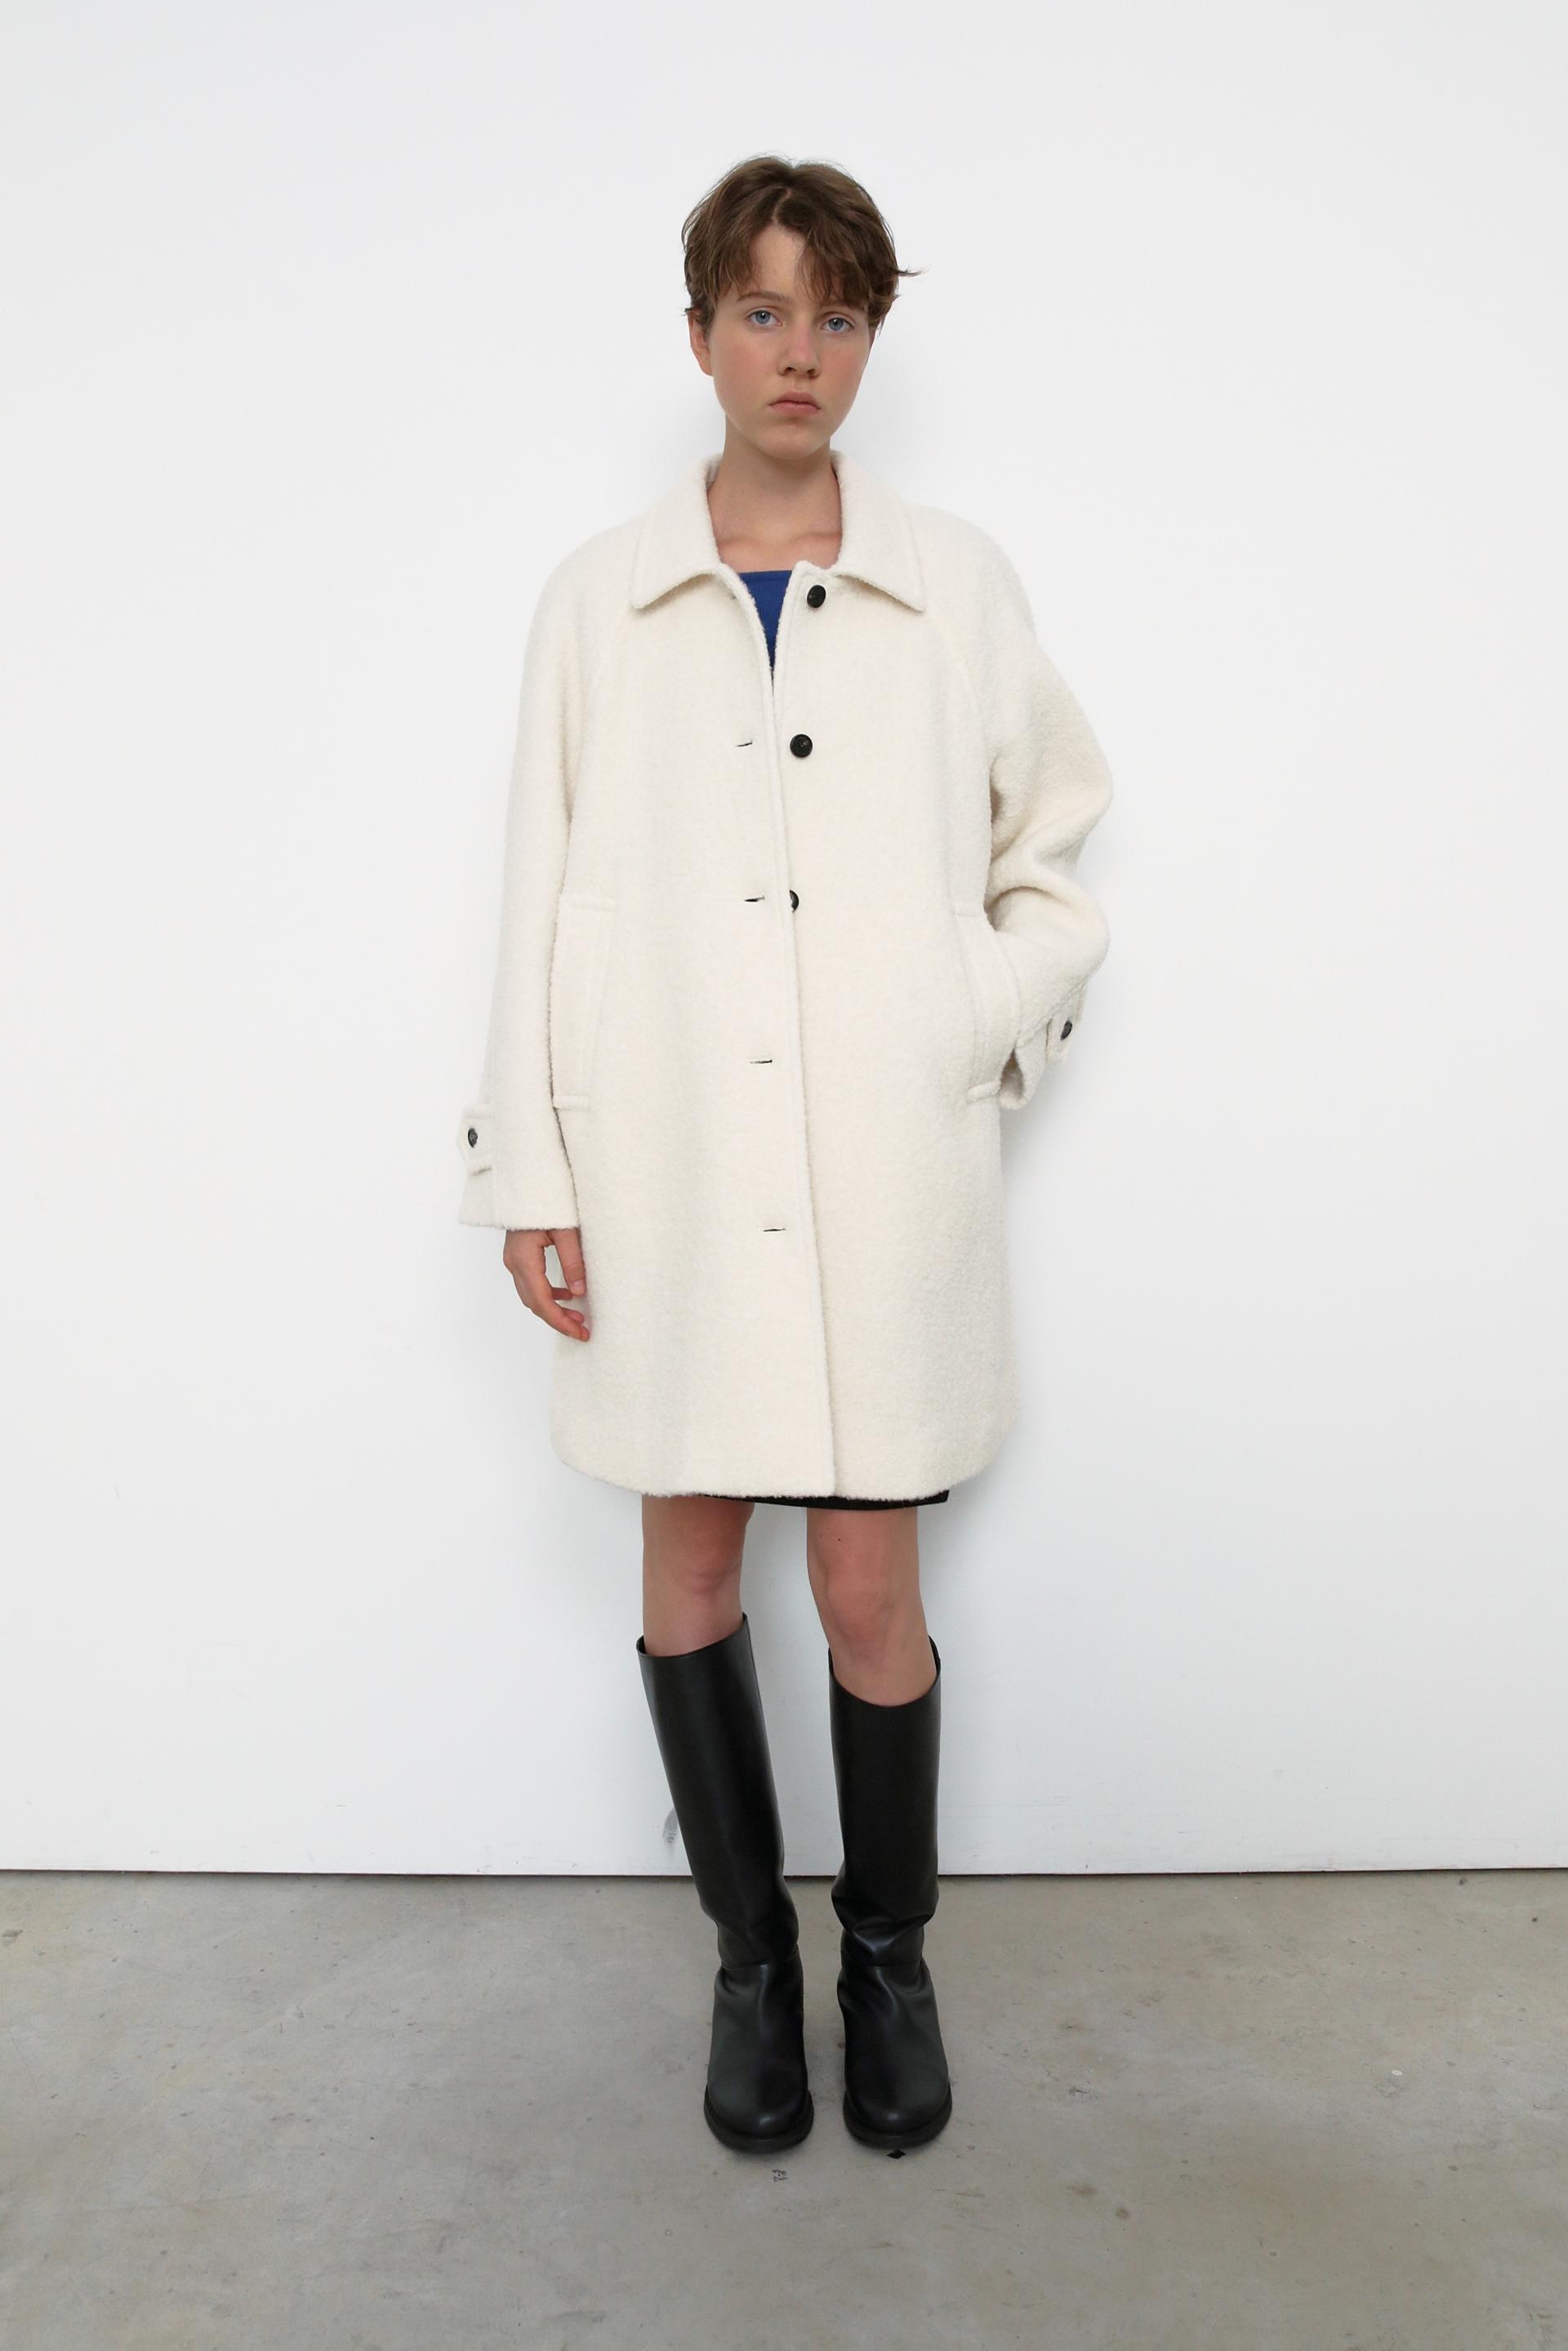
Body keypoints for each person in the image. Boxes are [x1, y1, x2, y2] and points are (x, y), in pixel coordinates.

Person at [457, 155, 1113, 2154]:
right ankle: (751, 1964)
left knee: (863, 1579)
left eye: (834, 315)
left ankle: (886, 1964)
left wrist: (967, 1014)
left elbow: (1053, 861)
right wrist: (532, 1169)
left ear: (870, 337)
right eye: (760, 312)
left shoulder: (954, 585)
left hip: (883, 1178)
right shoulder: (599, 601)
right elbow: (540, 896)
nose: (797, 352)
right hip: (666, 1162)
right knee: (685, 1564)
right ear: (699, 337)